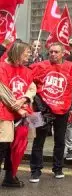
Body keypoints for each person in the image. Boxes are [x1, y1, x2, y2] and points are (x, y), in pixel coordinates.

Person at [28, 43, 72, 183]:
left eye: (56, 52)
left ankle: (58, 168)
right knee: (38, 140)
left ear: (63, 53)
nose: (53, 54)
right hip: (41, 110)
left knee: (60, 140)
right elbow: (29, 82)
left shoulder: (70, 67)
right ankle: (35, 170)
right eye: (50, 51)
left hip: (63, 109)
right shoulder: (40, 65)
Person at [0, 42, 35, 188]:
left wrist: (24, 98)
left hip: (21, 114)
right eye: (26, 54)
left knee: (16, 148)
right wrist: (19, 108)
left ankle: (10, 176)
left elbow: (32, 87)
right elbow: (3, 92)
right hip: (4, 114)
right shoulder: (1, 67)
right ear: (17, 53)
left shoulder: (25, 70)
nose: (28, 57)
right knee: (2, 147)